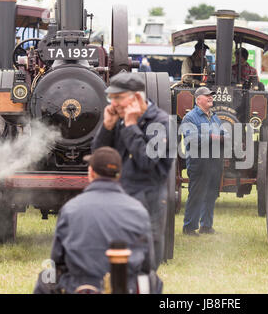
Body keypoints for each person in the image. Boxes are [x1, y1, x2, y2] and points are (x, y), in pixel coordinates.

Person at [34, 147, 159, 294]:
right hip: (125, 287)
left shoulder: (70, 209)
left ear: (91, 172)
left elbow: (57, 259)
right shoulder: (139, 210)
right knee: (153, 280)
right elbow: (147, 264)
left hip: (80, 288)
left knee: (46, 277)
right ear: (119, 175)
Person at [92, 73, 173, 270]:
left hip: (149, 198)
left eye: (118, 98)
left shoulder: (161, 122)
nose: (113, 103)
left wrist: (130, 126)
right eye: (111, 98)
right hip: (121, 195)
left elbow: (147, 161)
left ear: (136, 97)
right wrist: (107, 127)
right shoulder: (118, 119)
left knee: (147, 260)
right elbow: (99, 156)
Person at [181, 87, 226, 236]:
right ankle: (189, 227)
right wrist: (213, 137)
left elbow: (224, 134)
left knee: (211, 194)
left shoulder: (214, 117)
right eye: (207, 96)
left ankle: (206, 226)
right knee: (196, 194)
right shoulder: (190, 117)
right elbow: (192, 140)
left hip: (214, 161)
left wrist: (220, 136)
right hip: (198, 162)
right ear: (198, 99)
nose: (210, 98)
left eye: (211, 96)